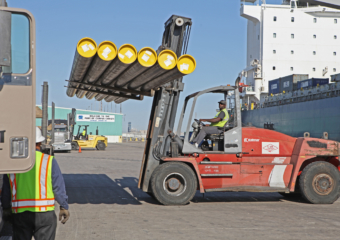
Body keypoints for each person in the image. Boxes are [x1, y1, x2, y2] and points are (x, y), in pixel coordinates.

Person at [1, 127, 70, 240]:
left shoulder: (13, 163)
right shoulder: (48, 160)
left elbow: (6, 189)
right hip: (44, 213)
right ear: (39, 142)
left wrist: (6, 208)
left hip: (20, 214)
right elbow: (58, 187)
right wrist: (63, 206)